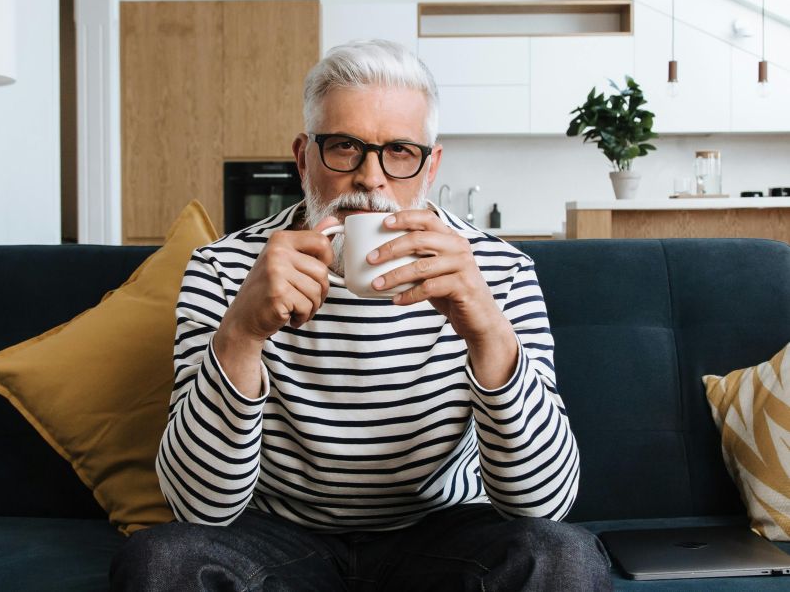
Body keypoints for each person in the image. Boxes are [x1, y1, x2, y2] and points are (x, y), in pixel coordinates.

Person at [111, 40, 611, 591]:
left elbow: (542, 503)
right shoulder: (224, 269)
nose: (371, 178)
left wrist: (487, 331)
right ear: (303, 156)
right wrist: (242, 333)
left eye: (399, 151)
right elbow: (198, 507)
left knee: (563, 556)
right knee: (160, 561)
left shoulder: (498, 269)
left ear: (430, 166)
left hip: (443, 531)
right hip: (275, 534)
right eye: (345, 147)